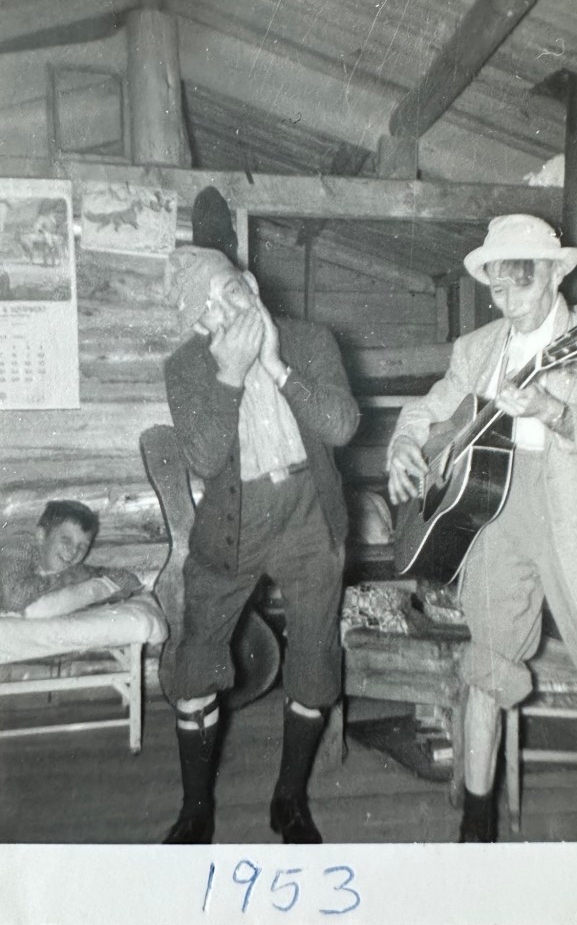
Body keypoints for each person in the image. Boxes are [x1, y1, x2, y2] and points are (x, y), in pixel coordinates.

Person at [387, 214, 577, 843]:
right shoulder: (477, 348)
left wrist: (552, 410)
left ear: (555, 274)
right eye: (498, 289)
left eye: (523, 285)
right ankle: (476, 832)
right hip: (496, 515)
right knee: (485, 670)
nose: (510, 304)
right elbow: (430, 407)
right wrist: (403, 444)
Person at [161, 240, 359, 845]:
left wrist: (275, 365)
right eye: (209, 310)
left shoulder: (310, 340)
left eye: (231, 292)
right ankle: (196, 811)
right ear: (199, 326)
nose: (228, 312)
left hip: (307, 514)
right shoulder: (186, 366)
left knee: (315, 661)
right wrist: (228, 373)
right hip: (233, 523)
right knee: (196, 662)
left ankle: (289, 801)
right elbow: (203, 458)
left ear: (249, 282)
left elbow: (342, 426)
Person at [0, 500, 143, 615]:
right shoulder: (20, 545)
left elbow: (131, 581)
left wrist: (87, 574)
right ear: (41, 536)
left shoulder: (71, 568)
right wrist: (70, 577)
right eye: (66, 540)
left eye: (82, 546)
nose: (74, 551)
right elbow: (13, 598)